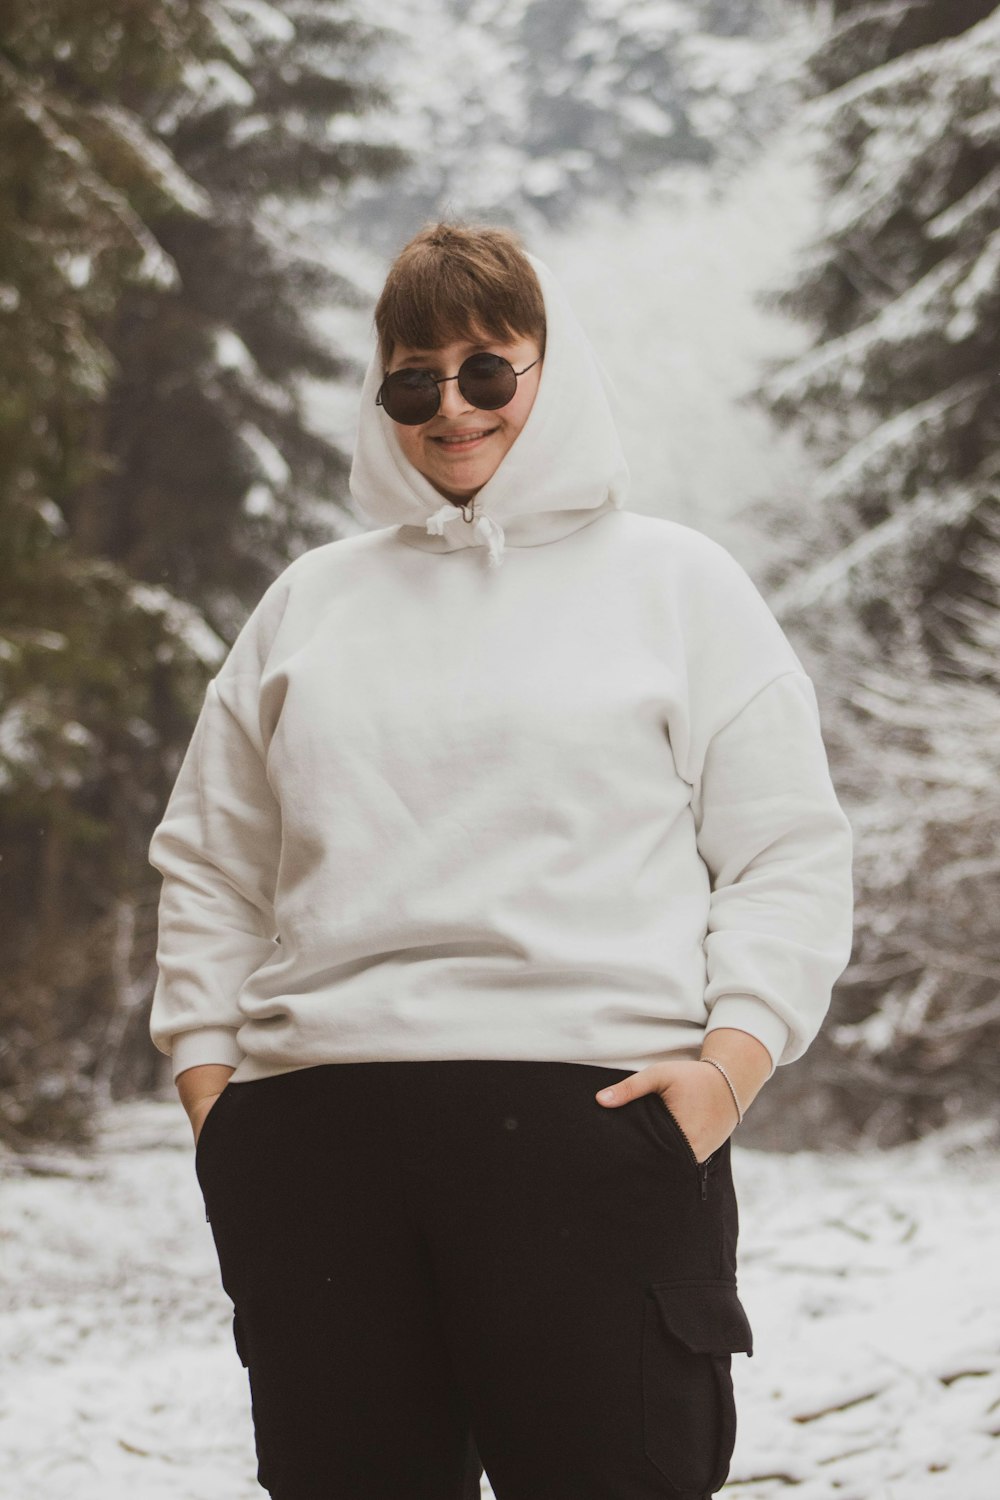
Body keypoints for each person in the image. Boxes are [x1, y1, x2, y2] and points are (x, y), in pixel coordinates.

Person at [148, 222, 854, 1500]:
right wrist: (216, 1094)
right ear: (384, 397)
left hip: (598, 1139)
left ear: (551, 369)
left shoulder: (680, 587)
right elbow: (210, 863)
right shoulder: (309, 604)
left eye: (489, 370)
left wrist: (728, 1067)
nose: (453, 408)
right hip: (319, 1149)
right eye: (415, 379)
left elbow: (787, 853)